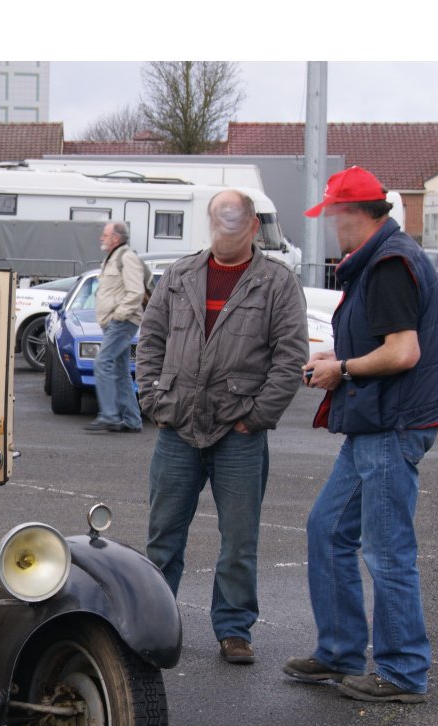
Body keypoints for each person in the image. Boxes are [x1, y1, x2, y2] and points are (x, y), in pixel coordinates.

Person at [286, 166, 438, 703]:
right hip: (379, 423)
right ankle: (339, 651)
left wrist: (344, 369)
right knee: (327, 528)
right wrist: (340, 359)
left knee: (387, 551)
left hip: (391, 423)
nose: (330, 226)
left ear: (355, 214)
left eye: (333, 215)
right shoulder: (385, 257)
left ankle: (403, 671)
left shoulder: (387, 262)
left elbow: (403, 351)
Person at [136, 189, 308, 664]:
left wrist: (256, 417)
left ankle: (234, 629)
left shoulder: (276, 282)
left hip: (239, 435)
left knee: (239, 539)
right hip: (178, 428)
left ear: (253, 227)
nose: (225, 232)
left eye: (234, 224)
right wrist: (152, 398)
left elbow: (291, 356)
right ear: (209, 224)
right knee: (163, 535)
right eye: (218, 222)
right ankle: (156, 623)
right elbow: (150, 338)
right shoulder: (180, 275)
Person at [86, 221, 146, 433]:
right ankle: (132, 420)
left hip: (122, 321)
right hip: (114, 322)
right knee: (120, 370)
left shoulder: (127, 258)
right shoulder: (111, 259)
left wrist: (118, 316)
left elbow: (136, 292)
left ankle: (109, 415)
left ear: (116, 238)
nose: (101, 238)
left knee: (102, 362)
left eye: (105, 234)